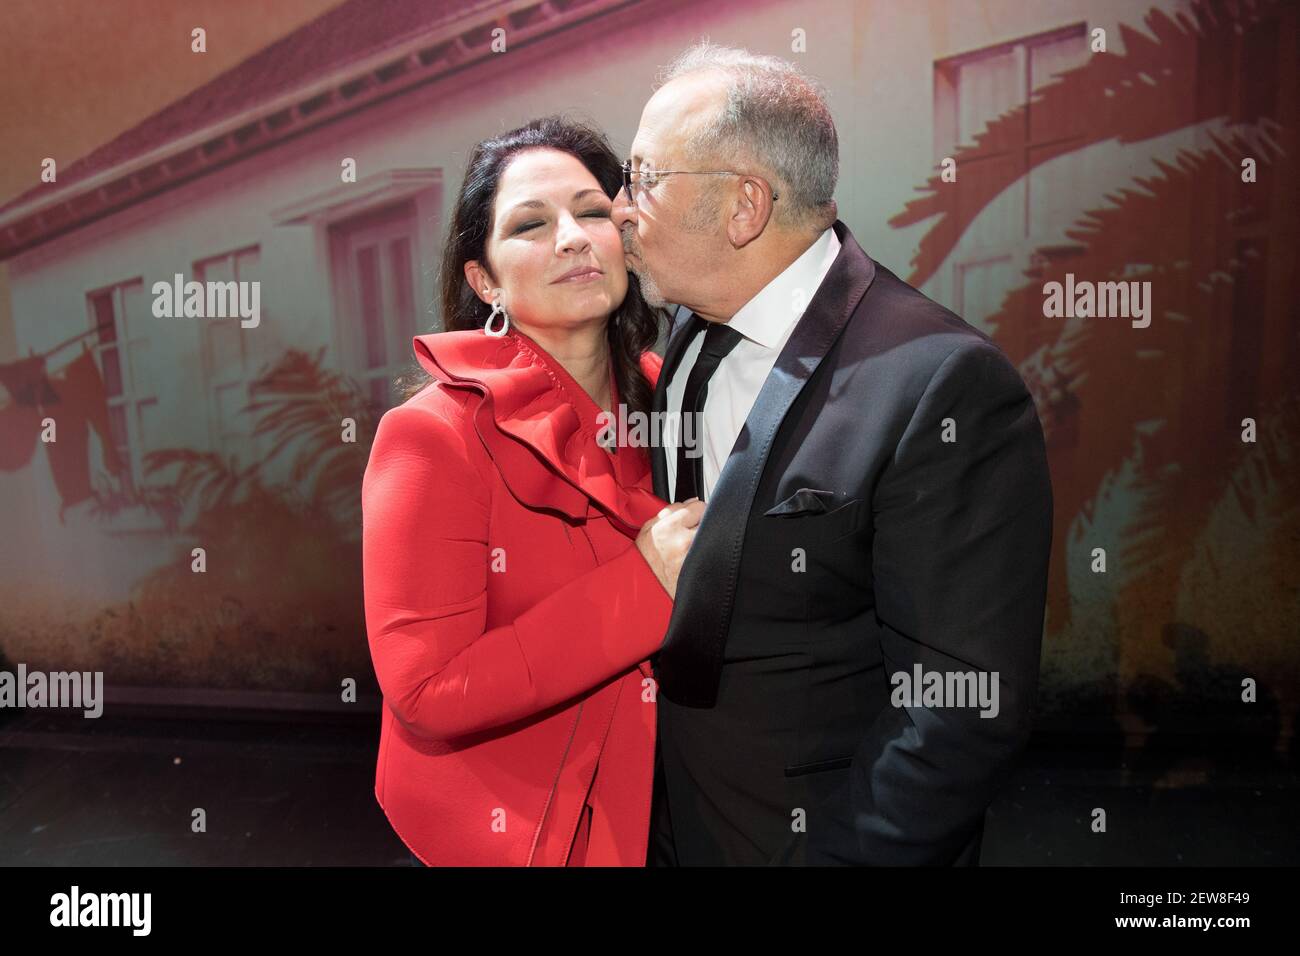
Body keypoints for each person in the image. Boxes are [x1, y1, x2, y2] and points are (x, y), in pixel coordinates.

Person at [613, 42, 1055, 865]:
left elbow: (958, 709)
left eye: (643, 177)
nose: (619, 208)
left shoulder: (939, 383)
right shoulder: (681, 339)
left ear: (745, 206)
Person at [362, 116, 704, 866]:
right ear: (484, 280)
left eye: (591, 211)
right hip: (525, 829)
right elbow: (425, 689)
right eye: (529, 224)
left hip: (678, 805)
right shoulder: (432, 435)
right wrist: (643, 587)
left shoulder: (671, 396)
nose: (574, 238)